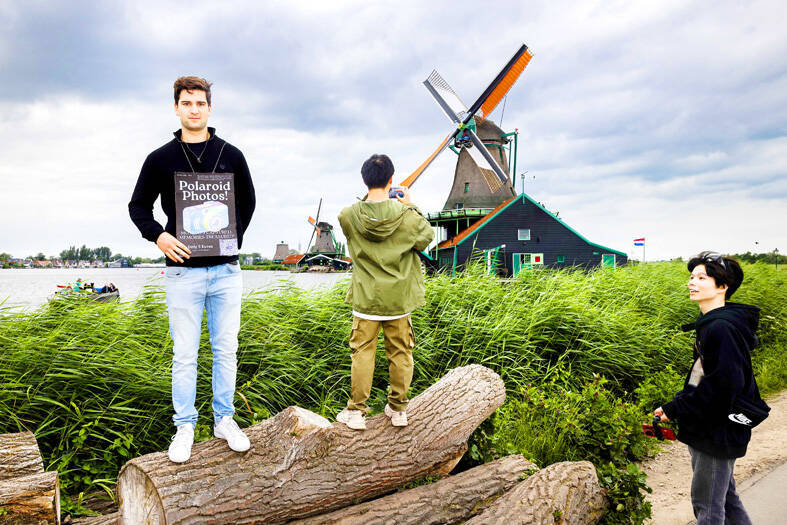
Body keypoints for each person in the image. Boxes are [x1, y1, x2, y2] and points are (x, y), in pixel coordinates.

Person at [129, 76, 256, 463]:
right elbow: (138, 206)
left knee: (226, 350)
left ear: (209, 108)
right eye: (187, 103)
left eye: (200, 103)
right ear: (176, 108)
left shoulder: (231, 155)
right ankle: (184, 425)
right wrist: (159, 237)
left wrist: (230, 238)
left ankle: (224, 419)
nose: (194, 109)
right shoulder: (160, 158)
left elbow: (248, 202)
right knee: (185, 354)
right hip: (182, 273)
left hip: (226, 272)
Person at [655, 251, 767, 524]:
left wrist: (675, 409)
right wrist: (677, 404)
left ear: (723, 286)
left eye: (702, 278)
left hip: (716, 430)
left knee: (707, 508)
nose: (692, 282)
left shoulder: (722, 328)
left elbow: (723, 387)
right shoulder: (711, 324)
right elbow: (702, 375)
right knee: (726, 500)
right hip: (710, 426)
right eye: (692, 277)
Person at [335, 154, 434, 430]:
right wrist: (409, 204)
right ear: (391, 180)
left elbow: (356, 217)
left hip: (366, 298)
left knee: (362, 354)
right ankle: (398, 409)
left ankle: (356, 412)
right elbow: (426, 237)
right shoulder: (407, 217)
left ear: (364, 180)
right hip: (398, 300)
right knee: (401, 353)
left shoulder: (348, 215)